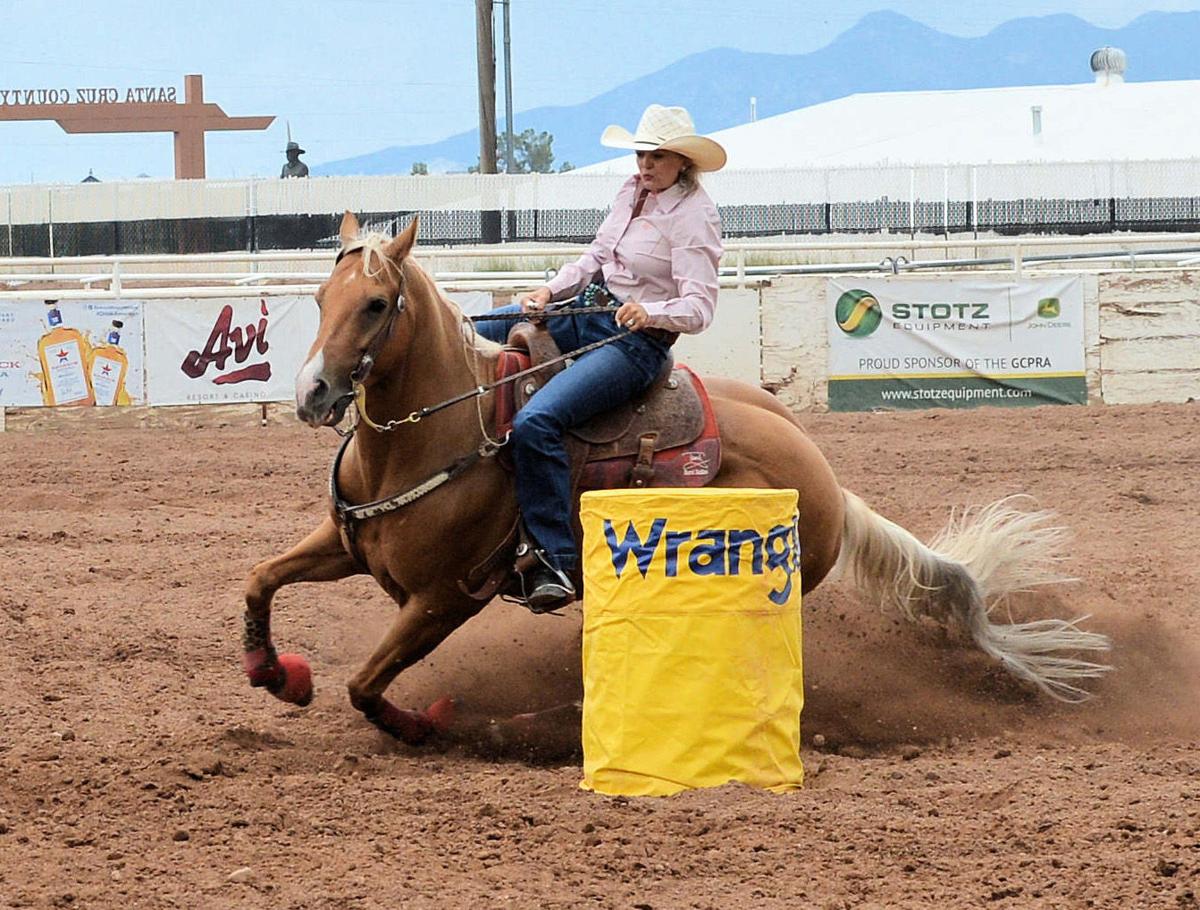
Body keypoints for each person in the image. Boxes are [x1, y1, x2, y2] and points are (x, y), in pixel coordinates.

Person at [475, 103, 726, 612]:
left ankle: (555, 560)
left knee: (537, 422)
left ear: (682, 161)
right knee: (472, 329)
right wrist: (548, 291)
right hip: (585, 311)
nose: (644, 165)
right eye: (640, 155)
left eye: (656, 156)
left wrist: (649, 312)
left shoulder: (695, 216)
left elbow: (699, 307)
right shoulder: (631, 193)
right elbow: (594, 258)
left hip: (635, 345)